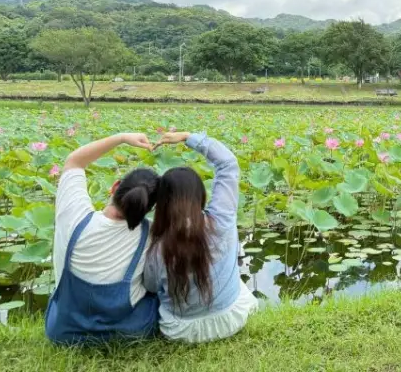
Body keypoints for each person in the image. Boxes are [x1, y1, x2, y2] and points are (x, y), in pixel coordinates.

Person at [45, 133, 160, 345]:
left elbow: (74, 161)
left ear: (115, 187)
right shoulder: (152, 233)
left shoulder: (74, 216)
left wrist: (122, 137)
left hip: (64, 334)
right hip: (128, 334)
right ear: (149, 208)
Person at [144, 131, 258, 343]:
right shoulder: (222, 220)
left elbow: (151, 287)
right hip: (231, 319)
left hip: (180, 331)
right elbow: (228, 164)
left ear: (162, 203)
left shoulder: (158, 246)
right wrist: (187, 136)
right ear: (200, 195)